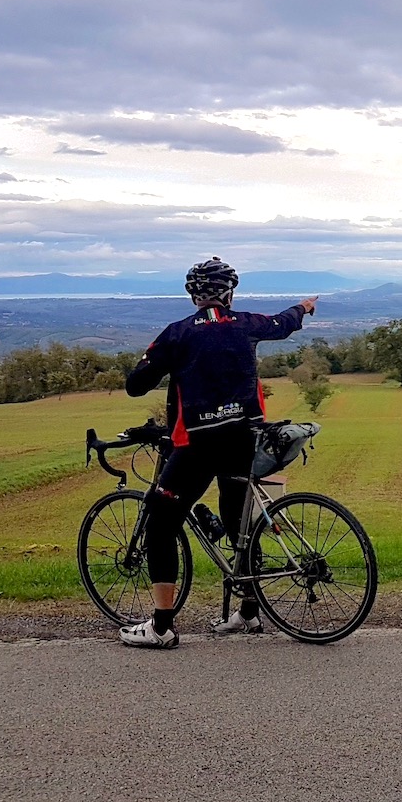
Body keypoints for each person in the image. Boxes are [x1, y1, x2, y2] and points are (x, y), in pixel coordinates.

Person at [118, 257, 316, 648]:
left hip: (199, 443)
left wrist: (159, 366)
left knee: (160, 522)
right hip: (245, 439)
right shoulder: (245, 325)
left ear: (192, 293)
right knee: (239, 523)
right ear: (230, 292)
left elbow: (136, 385)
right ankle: (248, 613)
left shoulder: (177, 334)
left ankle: (161, 627)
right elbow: (283, 322)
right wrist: (303, 308)